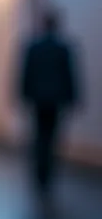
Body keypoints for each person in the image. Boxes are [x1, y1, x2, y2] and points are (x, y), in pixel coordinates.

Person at [20, 10, 79, 198]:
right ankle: (48, 172)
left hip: (38, 100)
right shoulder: (64, 48)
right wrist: (72, 99)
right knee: (51, 137)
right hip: (56, 101)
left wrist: (24, 96)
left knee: (39, 136)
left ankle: (40, 173)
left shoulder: (33, 47)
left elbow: (26, 74)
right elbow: (70, 76)